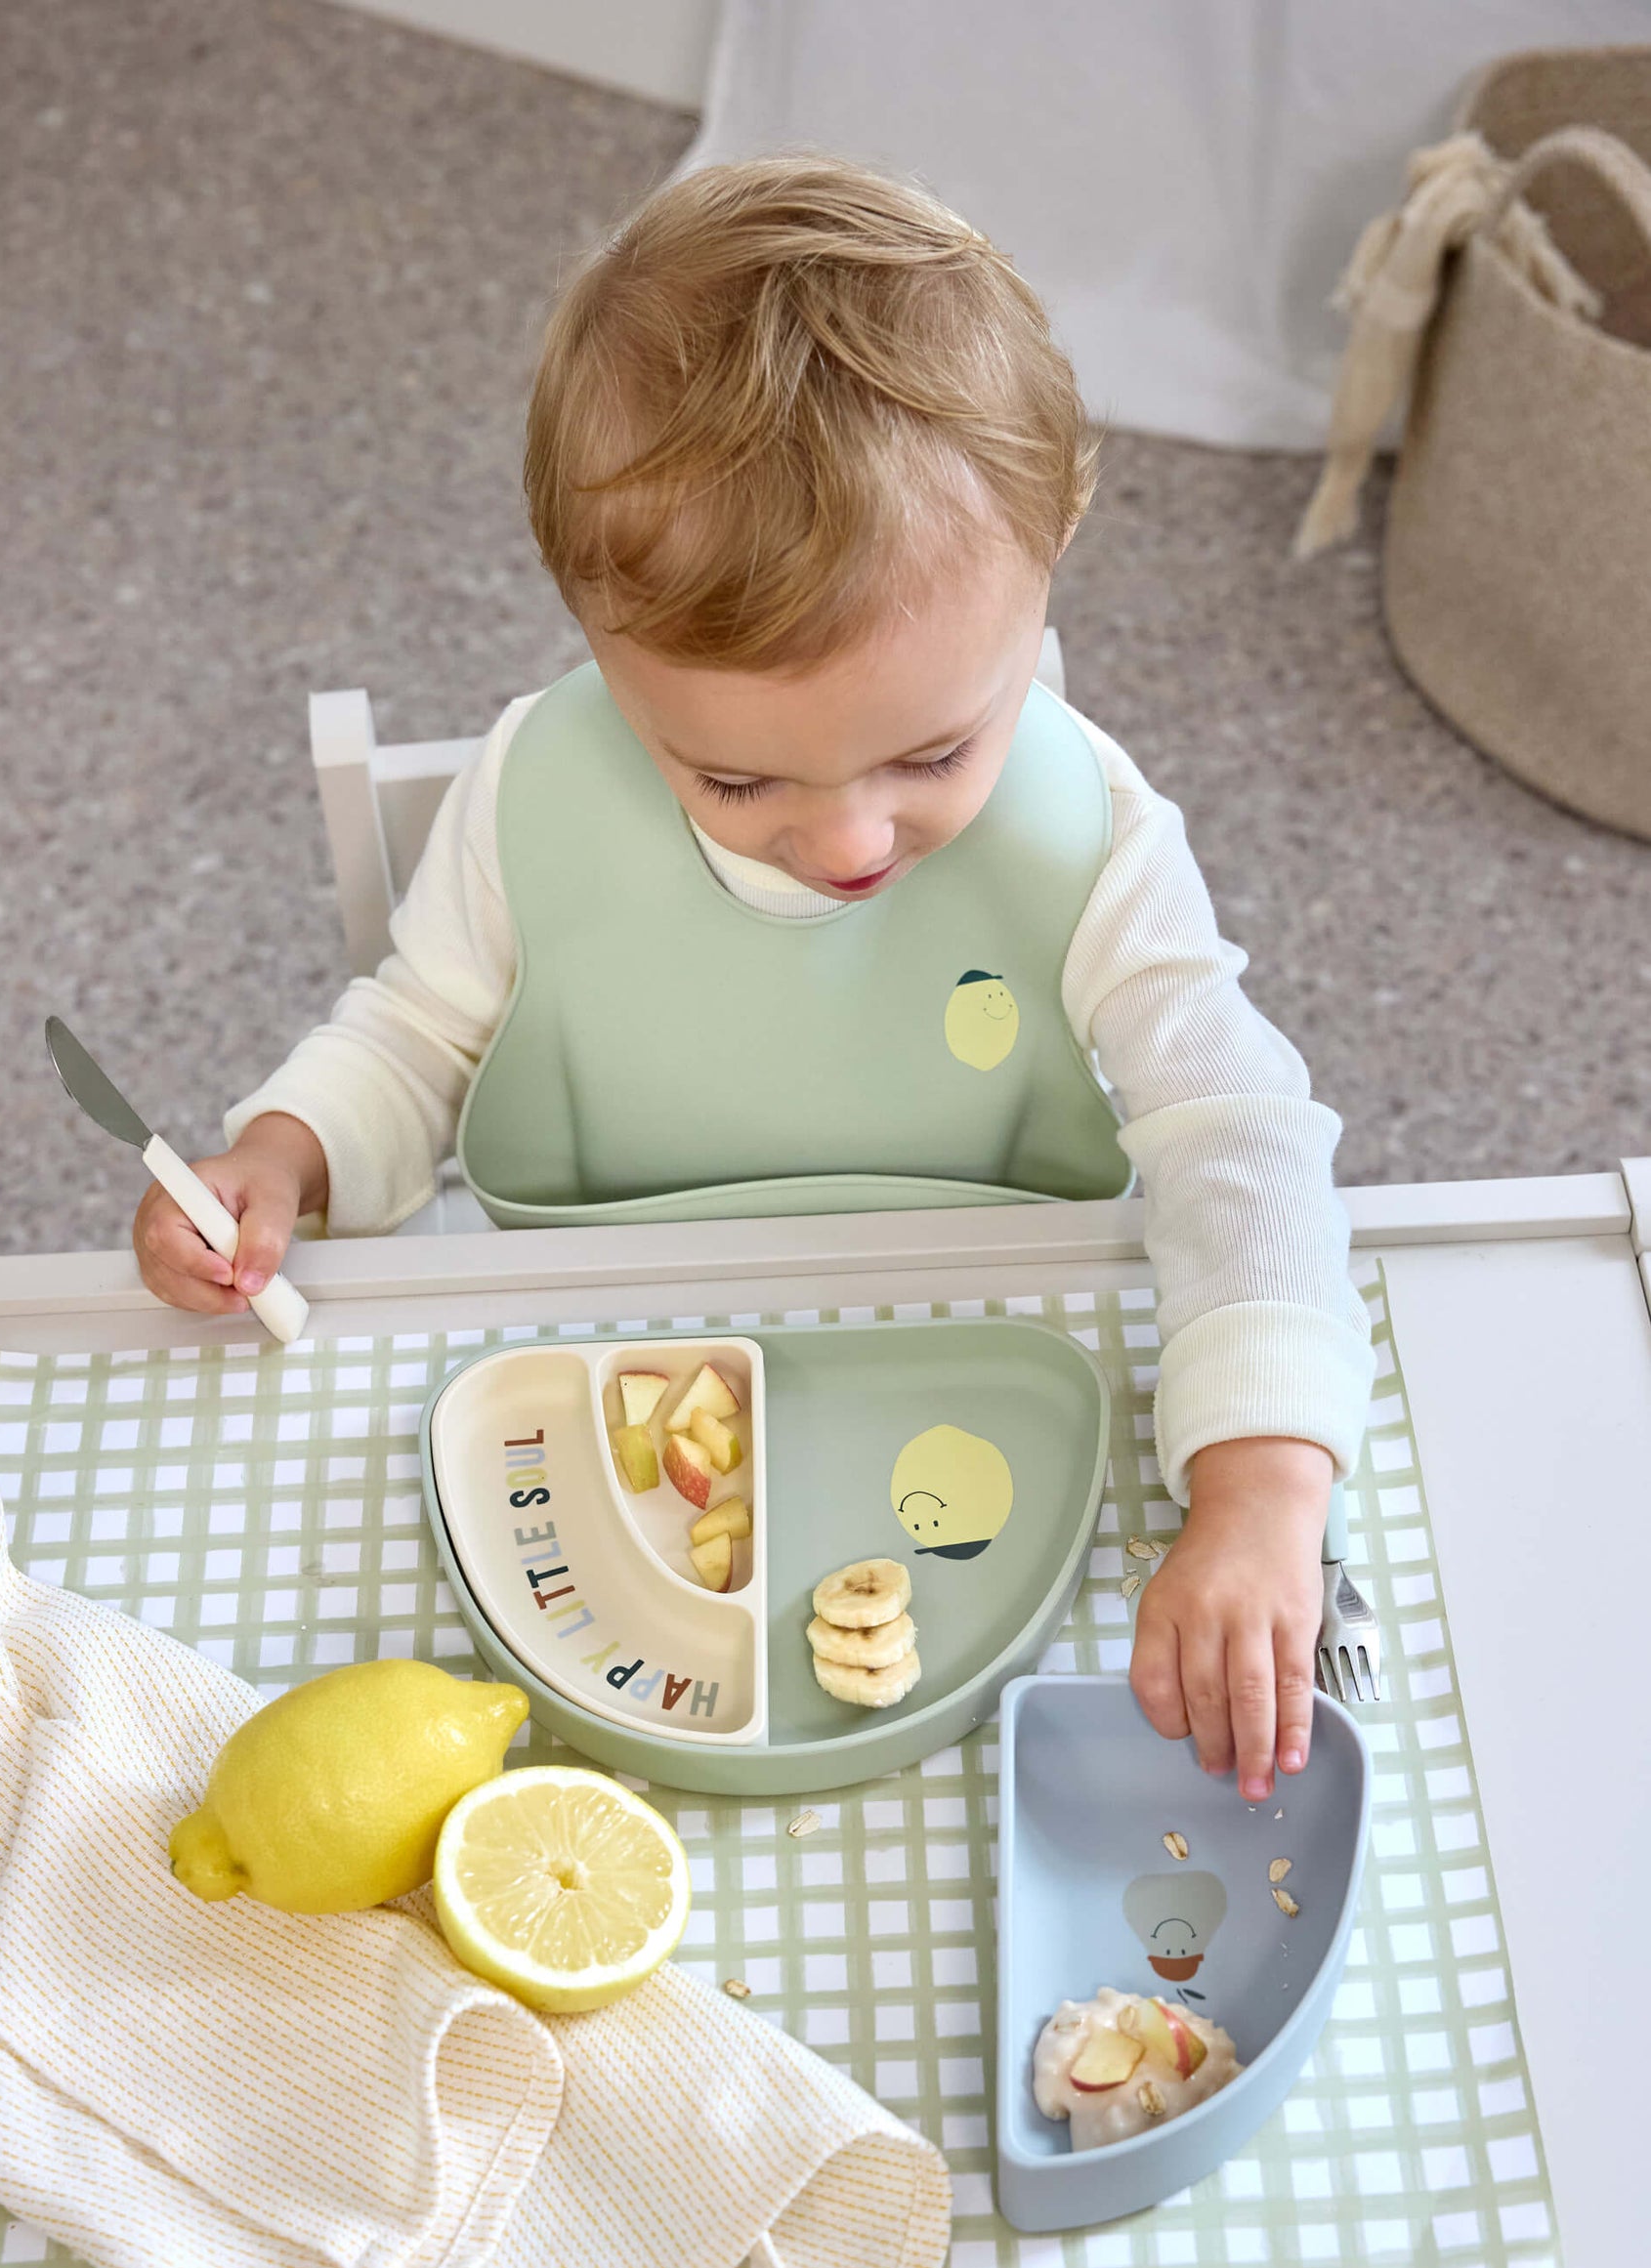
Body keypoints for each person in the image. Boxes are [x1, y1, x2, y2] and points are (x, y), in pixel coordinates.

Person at [134, 156, 1373, 1802]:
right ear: (597, 650)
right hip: (597, 1366)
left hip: (986, 1353)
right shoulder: (537, 793)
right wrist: (281, 1157)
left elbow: (1242, 1134)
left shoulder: (1093, 840)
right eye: (736, 786)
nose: (853, 843)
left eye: (936, 749)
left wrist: (1265, 1487)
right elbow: (414, 1034)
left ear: (1055, 553)